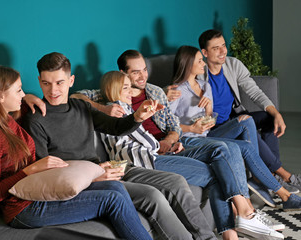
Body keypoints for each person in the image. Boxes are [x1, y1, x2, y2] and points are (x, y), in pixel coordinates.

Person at [73, 51, 284, 239]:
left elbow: (173, 123)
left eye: (145, 70)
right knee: (221, 164)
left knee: (227, 150)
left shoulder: (154, 92)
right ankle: (240, 219)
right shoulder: (113, 102)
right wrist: (103, 108)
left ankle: (242, 217)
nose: (143, 76)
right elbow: (75, 97)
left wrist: (171, 140)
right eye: (135, 73)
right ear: (122, 75)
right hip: (150, 157)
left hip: (168, 144)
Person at [22, 52, 222, 240]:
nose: (53, 90)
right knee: (153, 195)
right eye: (46, 83)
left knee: (166, 188)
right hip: (79, 181)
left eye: (59, 82)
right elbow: (45, 169)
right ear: (39, 81)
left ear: (71, 81)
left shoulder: (81, 107)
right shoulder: (36, 119)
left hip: (103, 171)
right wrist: (93, 174)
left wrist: (137, 117)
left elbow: (115, 127)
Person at [0, 64, 152, 240]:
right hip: (22, 210)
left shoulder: (10, 116)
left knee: (116, 186)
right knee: (113, 199)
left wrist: (28, 98)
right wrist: (31, 170)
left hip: (37, 192)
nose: (24, 94)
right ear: (0, 96)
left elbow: (29, 100)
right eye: (19, 90)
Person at [168, 45, 301, 211]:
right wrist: (190, 128)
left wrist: (209, 109)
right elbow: (167, 126)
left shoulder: (204, 86)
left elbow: (210, 119)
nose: (203, 64)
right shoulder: (176, 92)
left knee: (246, 120)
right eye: (200, 61)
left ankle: (262, 181)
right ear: (188, 65)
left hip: (209, 134)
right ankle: (283, 194)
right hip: (189, 139)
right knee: (244, 145)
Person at [194, 29, 301, 193]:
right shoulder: (198, 74)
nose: (223, 51)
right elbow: (178, 85)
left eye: (223, 45)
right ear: (205, 53)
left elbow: (254, 91)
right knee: (246, 122)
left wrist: (276, 113)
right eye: (216, 48)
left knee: (268, 118)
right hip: (214, 130)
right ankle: (284, 175)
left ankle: (266, 175)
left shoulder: (232, 65)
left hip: (233, 118)